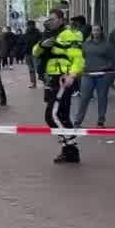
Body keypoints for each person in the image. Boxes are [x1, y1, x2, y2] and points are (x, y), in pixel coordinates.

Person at [35, 10, 85, 164]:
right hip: (51, 79)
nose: (50, 21)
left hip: (63, 79)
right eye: (48, 19)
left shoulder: (68, 34)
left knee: (52, 116)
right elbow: (35, 52)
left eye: (53, 19)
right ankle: (70, 153)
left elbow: (78, 58)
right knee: (62, 115)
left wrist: (72, 75)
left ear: (61, 19)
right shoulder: (48, 34)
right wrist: (42, 45)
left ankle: (71, 146)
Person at [74, 22, 115, 127]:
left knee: (102, 98)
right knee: (84, 98)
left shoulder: (107, 45)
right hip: (87, 75)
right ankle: (78, 121)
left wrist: (107, 69)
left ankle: (101, 120)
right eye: (94, 30)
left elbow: (113, 61)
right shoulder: (86, 44)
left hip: (102, 76)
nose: (96, 32)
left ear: (101, 31)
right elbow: (80, 58)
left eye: (98, 30)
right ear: (91, 32)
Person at [23, 20, 43, 87]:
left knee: (38, 68)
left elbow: (40, 43)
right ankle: (33, 83)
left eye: (29, 25)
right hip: (27, 53)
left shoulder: (38, 33)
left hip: (35, 54)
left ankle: (45, 80)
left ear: (33, 25)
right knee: (31, 69)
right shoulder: (26, 33)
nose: (28, 27)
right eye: (28, 25)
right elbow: (23, 42)